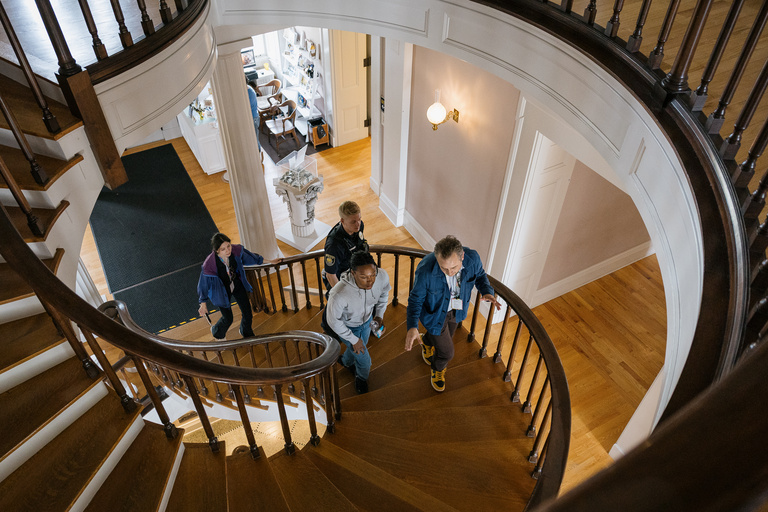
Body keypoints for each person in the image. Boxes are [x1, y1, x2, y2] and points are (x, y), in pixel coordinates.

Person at [404, 235, 501, 392]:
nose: (449, 273)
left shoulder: (473, 258)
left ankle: (427, 342)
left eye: (454, 268)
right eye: (444, 268)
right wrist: (412, 326)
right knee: (447, 352)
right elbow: (415, 300)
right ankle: (437, 369)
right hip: (434, 314)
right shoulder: (425, 270)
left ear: (462, 256)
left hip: (457, 311)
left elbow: (481, 276)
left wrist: (487, 291)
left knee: (443, 335)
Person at [322, 252, 390, 394]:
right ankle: (361, 377)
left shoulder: (382, 276)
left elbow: (384, 293)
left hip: (367, 322)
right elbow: (333, 321)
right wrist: (353, 339)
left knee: (359, 346)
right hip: (347, 327)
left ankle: (345, 361)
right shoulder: (339, 293)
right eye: (364, 277)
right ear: (353, 273)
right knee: (364, 359)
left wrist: (379, 315)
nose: (370, 281)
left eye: (372, 275)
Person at [197, 233, 278, 339]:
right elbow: (203, 284)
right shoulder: (209, 264)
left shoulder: (236, 250)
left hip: (236, 284)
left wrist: (270, 261)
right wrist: (203, 303)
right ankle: (217, 332)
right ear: (217, 251)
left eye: (228, 246)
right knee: (228, 318)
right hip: (221, 291)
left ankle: (245, 331)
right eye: (223, 249)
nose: (228, 250)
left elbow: (252, 257)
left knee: (247, 312)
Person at [323, 201, 368, 292]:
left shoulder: (359, 226)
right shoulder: (334, 245)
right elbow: (330, 275)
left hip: (354, 271)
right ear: (342, 221)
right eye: (353, 222)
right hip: (341, 278)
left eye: (359, 219)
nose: (358, 224)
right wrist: (342, 296)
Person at [246, 80, 262, 150]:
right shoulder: (248, 89)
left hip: (253, 118)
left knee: (255, 139)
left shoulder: (248, 92)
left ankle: (258, 155)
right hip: (254, 117)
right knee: (254, 138)